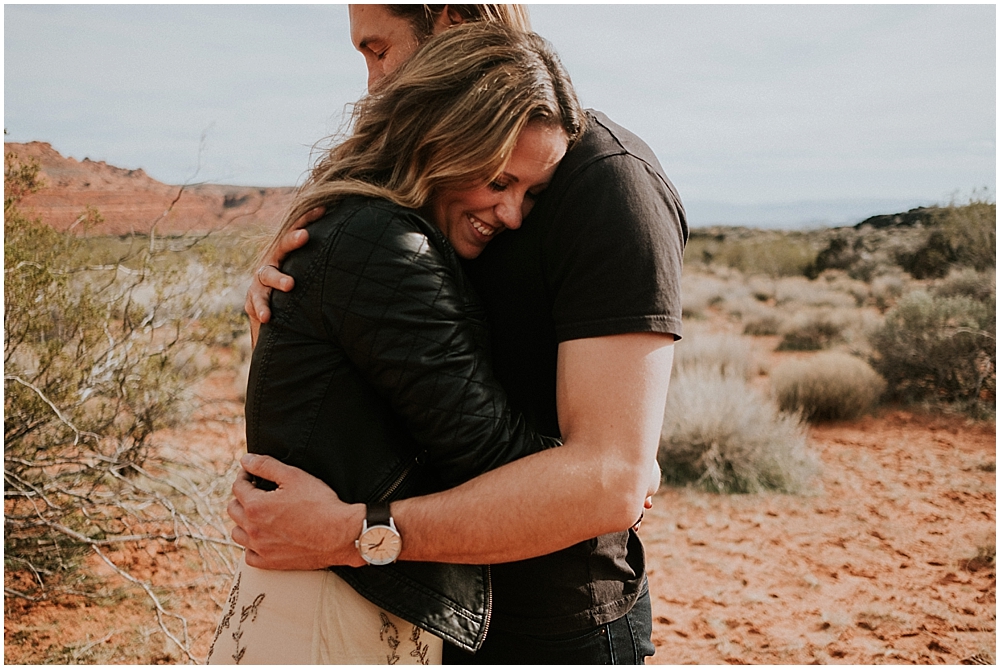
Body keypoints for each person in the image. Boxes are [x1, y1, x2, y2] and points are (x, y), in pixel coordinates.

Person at [234, 4, 687, 664]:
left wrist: (352, 533)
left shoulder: (607, 186)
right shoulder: (400, 207)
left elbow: (608, 480)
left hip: (550, 624)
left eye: (379, 50)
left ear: (447, 22)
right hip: (416, 611)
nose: (373, 83)